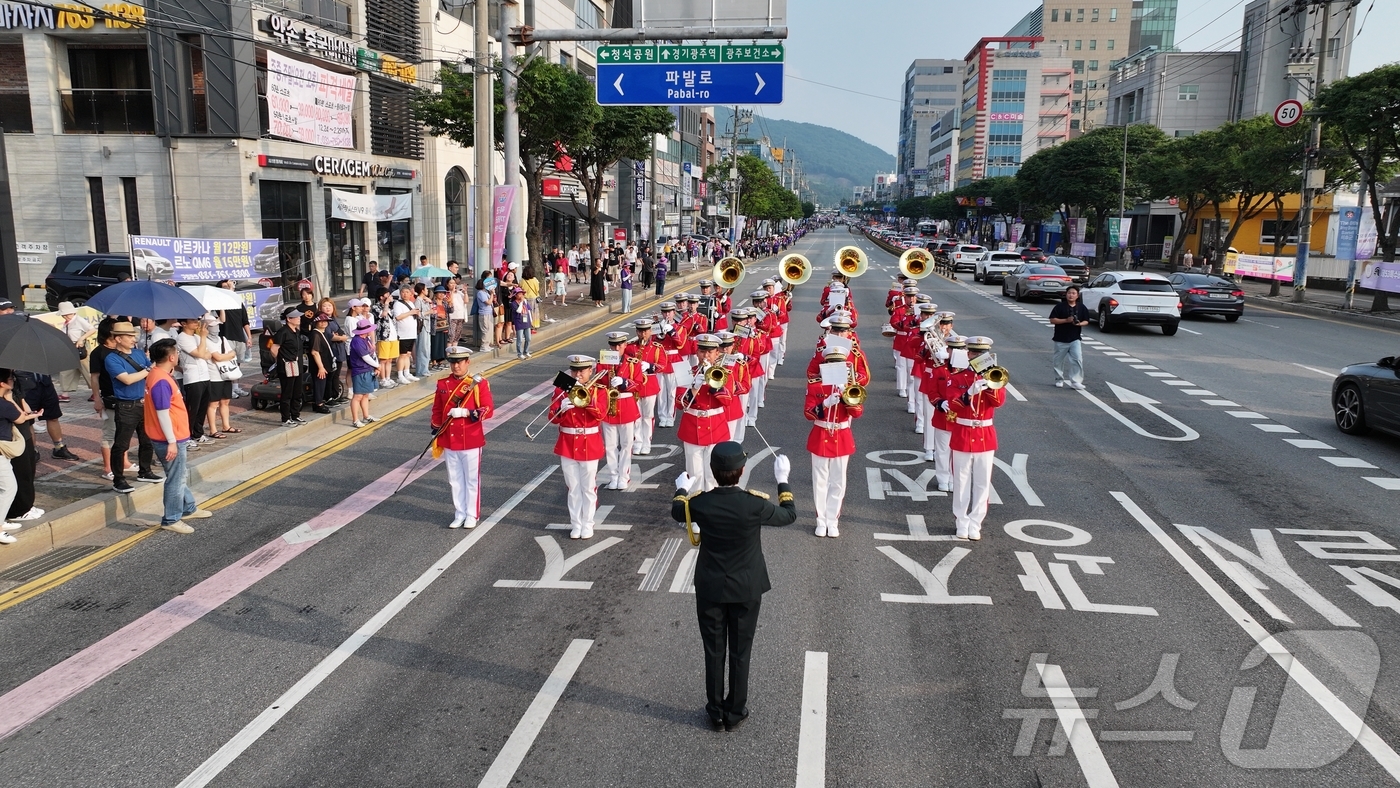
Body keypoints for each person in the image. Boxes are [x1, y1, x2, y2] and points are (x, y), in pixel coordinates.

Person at [671, 442, 795, 731]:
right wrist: (782, 480)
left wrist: (681, 489)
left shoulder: (700, 502)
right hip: (746, 587)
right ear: (741, 472)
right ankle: (736, 710)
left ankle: (715, 711)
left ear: (713, 472)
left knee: (713, 650)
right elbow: (789, 515)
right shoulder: (754, 503)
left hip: (711, 586)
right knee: (741, 650)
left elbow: (678, 512)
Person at [142, 338, 214, 534]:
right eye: (177, 353)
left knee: (179, 475)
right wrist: (172, 441)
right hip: (169, 438)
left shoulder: (158, 374)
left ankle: (188, 508)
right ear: (172, 357)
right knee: (176, 478)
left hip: (170, 435)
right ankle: (171, 518)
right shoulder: (161, 381)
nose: (179, 356)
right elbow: (162, 413)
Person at [939, 336, 1006, 541]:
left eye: (981, 354)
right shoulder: (957, 377)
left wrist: (989, 386)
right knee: (961, 481)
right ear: (968, 354)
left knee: (982, 483)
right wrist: (969, 393)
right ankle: (961, 521)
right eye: (974, 353)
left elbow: (998, 403)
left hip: (984, 435)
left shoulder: (994, 377)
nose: (977, 357)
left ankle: (976, 523)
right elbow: (952, 405)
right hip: (962, 432)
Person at [431, 347, 494, 529]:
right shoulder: (442, 384)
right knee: (455, 480)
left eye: (459, 362)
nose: (456, 366)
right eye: (453, 362)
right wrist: (436, 429)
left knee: (472, 480)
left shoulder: (478, 384)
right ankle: (459, 513)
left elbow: (488, 409)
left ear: (468, 362)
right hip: (449, 439)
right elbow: (436, 410)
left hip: (470, 437)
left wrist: (467, 412)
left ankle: (472, 514)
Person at [805, 346, 863, 538]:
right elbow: (808, 413)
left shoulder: (849, 385)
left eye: (839, 364)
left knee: (838, 481)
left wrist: (847, 398)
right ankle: (821, 520)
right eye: (832, 363)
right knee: (820, 481)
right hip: (821, 433)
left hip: (842, 435)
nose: (835, 367)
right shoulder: (815, 386)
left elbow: (858, 413)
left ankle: (833, 520)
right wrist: (825, 403)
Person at [550, 355, 608, 539]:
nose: (577, 374)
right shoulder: (562, 389)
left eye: (582, 370)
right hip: (567, 443)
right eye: (574, 370)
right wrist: (561, 407)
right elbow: (551, 417)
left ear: (590, 371)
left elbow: (601, 414)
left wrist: (587, 399)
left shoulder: (599, 389)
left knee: (588, 488)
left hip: (589, 443)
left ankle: (588, 523)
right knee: (573, 487)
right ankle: (576, 524)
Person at [104, 322, 159, 493]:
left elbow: (151, 372)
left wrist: (150, 368)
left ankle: (145, 471)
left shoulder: (138, 353)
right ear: (118, 338)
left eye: (133, 336)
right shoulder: (111, 358)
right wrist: (148, 369)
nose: (133, 339)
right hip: (126, 405)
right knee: (121, 444)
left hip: (144, 402)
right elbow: (126, 379)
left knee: (147, 440)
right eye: (129, 336)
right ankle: (118, 479)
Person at [676, 334, 733, 492]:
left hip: (716, 426)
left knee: (713, 475)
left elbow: (728, 400)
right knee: (694, 475)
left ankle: (711, 511)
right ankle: (695, 512)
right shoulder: (687, 372)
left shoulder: (725, 373)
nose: (706, 356)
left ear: (717, 353)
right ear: (697, 353)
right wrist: (694, 386)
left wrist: (713, 383)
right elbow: (680, 404)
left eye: (710, 352)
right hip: (692, 426)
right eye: (702, 351)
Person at [597, 331, 646, 490]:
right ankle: (613, 476)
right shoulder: (602, 363)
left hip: (626, 405)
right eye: (613, 345)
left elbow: (639, 385)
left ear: (626, 345)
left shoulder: (633, 363)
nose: (616, 348)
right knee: (610, 446)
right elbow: (598, 385)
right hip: (609, 407)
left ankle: (624, 476)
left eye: (620, 345)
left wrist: (624, 382)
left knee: (626, 444)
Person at [0, 369, 39, 543]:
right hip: (1, 452)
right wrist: (11, 400)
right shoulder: (4, 404)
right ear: (3, 383)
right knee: (9, 488)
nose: (13, 381)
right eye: (11, 379)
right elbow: (21, 418)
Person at [175, 315, 214, 446]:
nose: (196, 323)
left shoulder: (196, 337)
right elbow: (199, 354)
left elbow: (208, 354)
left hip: (205, 375)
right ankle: (187, 436)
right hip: (192, 377)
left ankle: (198, 433)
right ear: (184, 323)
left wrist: (201, 343)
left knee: (202, 407)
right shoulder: (181, 338)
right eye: (192, 321)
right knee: (192, 408)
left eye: (197, 320)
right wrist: (203, 337)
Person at [269, 307, 308, 427]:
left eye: (299, 316)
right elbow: (274, 348)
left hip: (298, 365)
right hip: (286, 367)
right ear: (288, 319)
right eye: (295, 317)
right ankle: (285, 418)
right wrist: (281, 360)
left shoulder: (296, 331)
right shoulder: (283, 332)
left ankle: (295, 415)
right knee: (287, 393)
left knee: (297, 392)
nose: (298, 318)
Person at [1049, 286, 1091, 390]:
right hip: (1060, 338)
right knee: (1058, 361)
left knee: (1077, 359)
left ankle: (1076, 381)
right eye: (1069, 293)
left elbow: (1086, 321)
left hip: (1075, 338)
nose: (1071, 295)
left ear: (1077, 295)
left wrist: (1079, 324)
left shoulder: (1081, 307)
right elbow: (1052, 320)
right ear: (1066, 294)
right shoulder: (1059, 306)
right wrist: (1066, 321)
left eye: (1073, 293)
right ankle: (1059, 379)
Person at [203, 314, 238, 437]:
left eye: (217, 325)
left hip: (226, 374)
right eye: (213, 326)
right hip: (213, 376)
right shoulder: (205, 340)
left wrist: (223, 357)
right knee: (213, 403)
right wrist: (225, 356)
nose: (216, 328)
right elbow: (216, 357)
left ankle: (226, 426)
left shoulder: (222, 339)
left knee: (225, 401)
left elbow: (232, 352)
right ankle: (213, 430)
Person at [217, 280, 253, 396]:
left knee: (237, 364)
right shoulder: (219, 303)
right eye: (224, 287)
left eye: (229, 286)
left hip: (239, 337)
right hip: (226, 337)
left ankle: (235, 387)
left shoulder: (237, 301)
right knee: (228, 363)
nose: (228, 288)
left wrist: (249, 337)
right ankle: (228, 390)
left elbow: (245, 321)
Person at [57, 301, 95, 396]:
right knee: (66, 370)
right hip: (69, 348)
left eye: (67, 314)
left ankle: (96, 391)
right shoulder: (66, 323)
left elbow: (92, 329)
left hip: (79, 348)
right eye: (64, 314)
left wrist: (81, 338)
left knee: (87, 370)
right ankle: (65, 392)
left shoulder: (78, 320)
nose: (65, 316)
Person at [347, 318, 379, 427]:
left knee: (365, 395)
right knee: (358, 396)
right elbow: (365, 357)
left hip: (368, 369)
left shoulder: (366, 339)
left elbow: (372, 355)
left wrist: (376, 366)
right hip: (360, 370)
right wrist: (377, 366)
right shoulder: (357, 341)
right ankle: (355, 420)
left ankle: (366, 416)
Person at [392, 284, 420, 385]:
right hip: (402, 334)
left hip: (411, 333)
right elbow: (398, 317)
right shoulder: (398, 304)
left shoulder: (411, 303)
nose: (405, 294)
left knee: (408, 355)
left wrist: (416, 313)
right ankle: (400, 375)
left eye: (407, 292)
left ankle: (407, 373)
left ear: (410, 293)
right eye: (403, 292)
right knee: (402, 355)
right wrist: (411, 312)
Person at [511, 288, 534, 359]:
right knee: (520, 339)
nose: (521, 295)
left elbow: (529, 311)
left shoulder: (525, 302)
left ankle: (526, 351)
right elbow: (518, 311)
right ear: (516, 295)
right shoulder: (513, 303)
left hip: (526, 321)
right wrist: (521, 302)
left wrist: (531, 320)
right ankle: (519, 353)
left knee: (528, 338)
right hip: (519, 322)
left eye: (522, 294)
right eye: (519, 294)